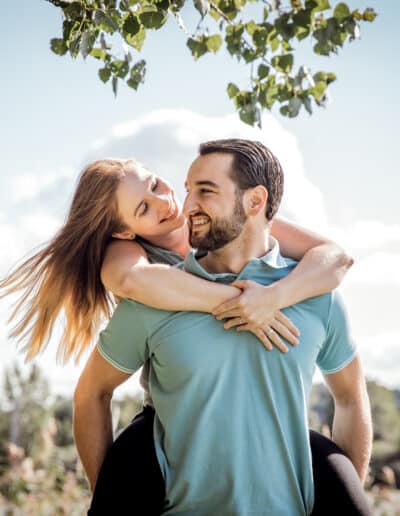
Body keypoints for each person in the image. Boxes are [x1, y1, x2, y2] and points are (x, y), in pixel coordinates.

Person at [0, 152, 356, 512]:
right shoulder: (126, 253)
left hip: (272, 415)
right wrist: (239, 301)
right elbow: (130, 280)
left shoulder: (218, 216)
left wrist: (274, 297)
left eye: (155, 184)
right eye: (143, 208)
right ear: (124, 229)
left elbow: (336, 257)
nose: (164, 202)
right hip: (172, 415)